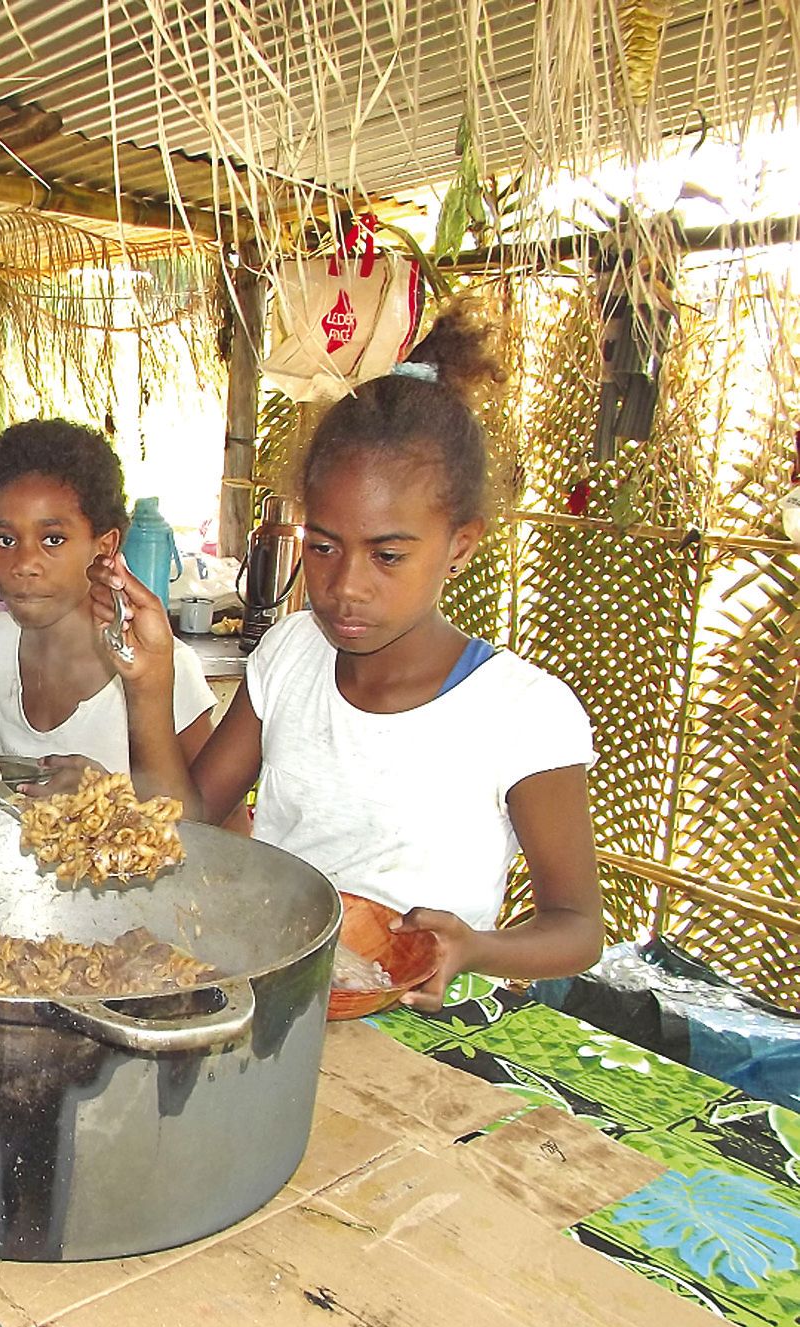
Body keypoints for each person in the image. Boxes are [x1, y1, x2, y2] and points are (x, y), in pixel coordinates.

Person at [122, 307, 603, 1009]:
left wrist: (470, 948)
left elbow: (578, 927)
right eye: (322, 546)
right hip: (280, 993)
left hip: (428, 1024)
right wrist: (148, 686)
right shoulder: (291, 656)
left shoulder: (522, 712)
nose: (346, 585)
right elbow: (189, 823)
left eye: (388, 555)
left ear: (461, 546)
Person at [0, 420, 217, 800]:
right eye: (5, 539)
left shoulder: (163, 667)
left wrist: (108, 800)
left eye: (52, 539)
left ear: (105, 546)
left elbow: (225, 832)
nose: (24, 563)